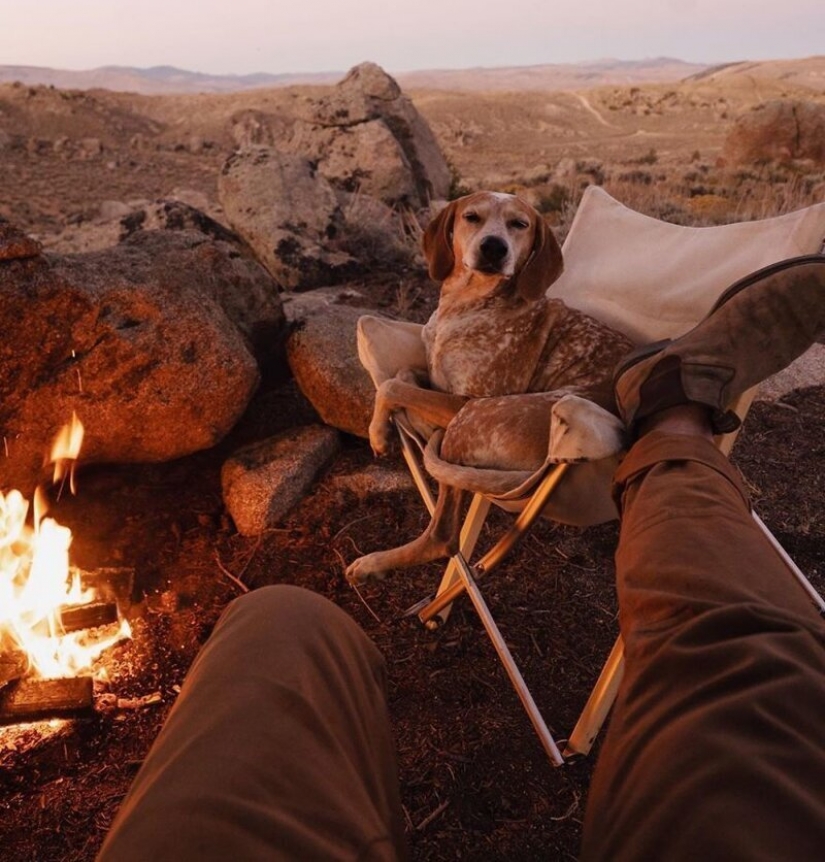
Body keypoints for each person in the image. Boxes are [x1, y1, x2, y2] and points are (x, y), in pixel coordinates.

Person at [98, 256, 825, 862]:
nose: (492, 241)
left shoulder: (525, 306)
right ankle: (674, 422)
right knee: (742, 670)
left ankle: (662, 417)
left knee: (276, 618)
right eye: (474, 223)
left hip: (565, 451)